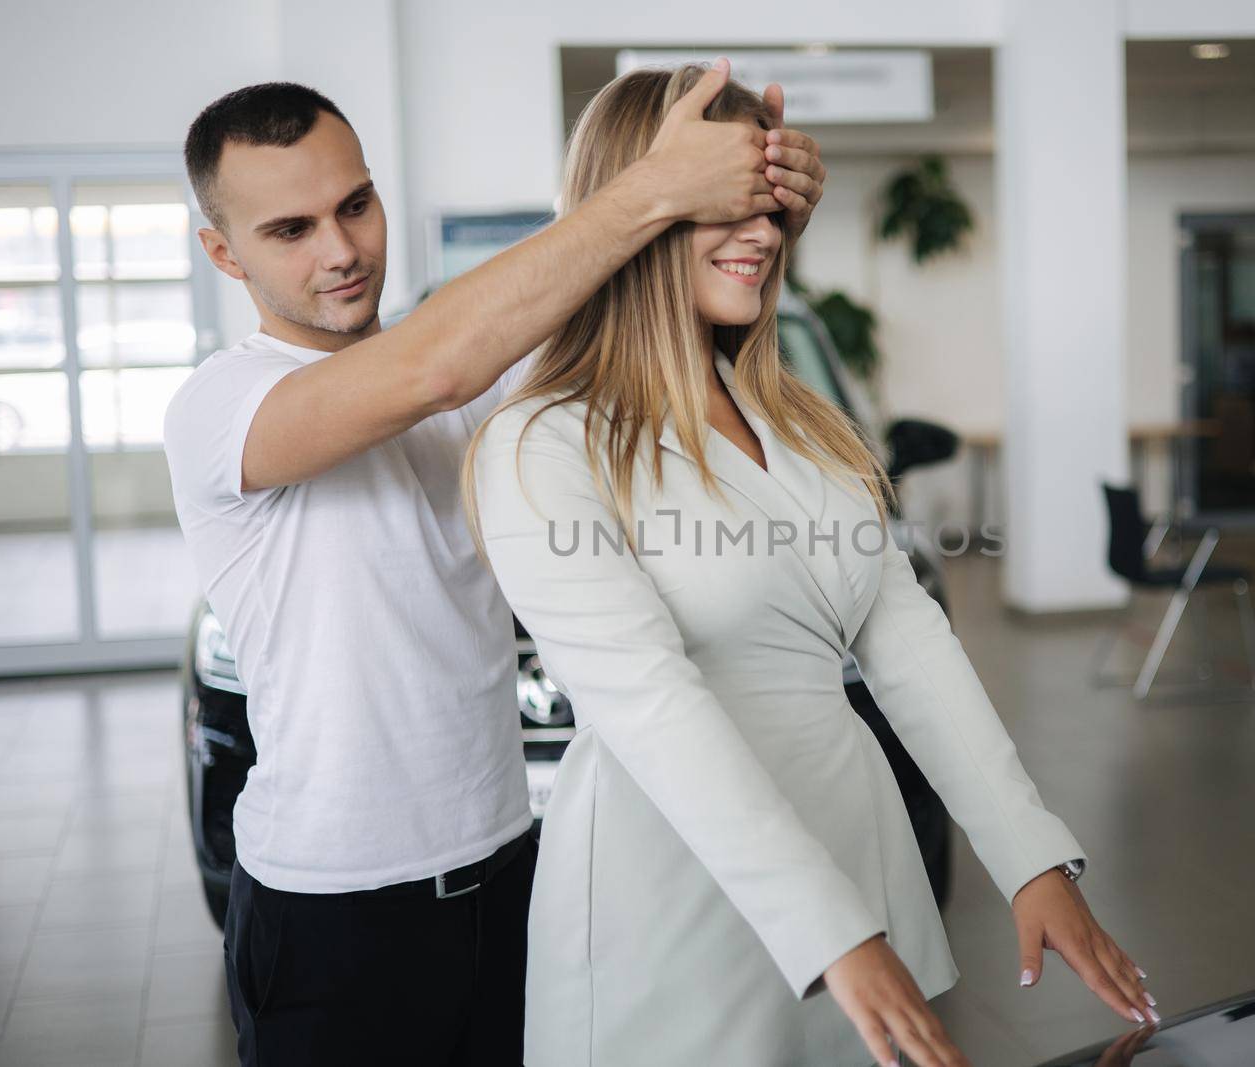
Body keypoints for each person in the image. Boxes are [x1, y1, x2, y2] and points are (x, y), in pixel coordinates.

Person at [465, 66, 1158, 1067]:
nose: (764, 233)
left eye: (773, 207)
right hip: (670, 893)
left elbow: (906, 640)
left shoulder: (799, 424)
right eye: (727, 204)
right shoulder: (540, 444)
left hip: (854, 852)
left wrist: (1030, 855)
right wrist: (829, 927)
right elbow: (653, 706)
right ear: (635, 208)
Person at [163, 65, 829, 1066]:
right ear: (224, 252)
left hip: (509, 871)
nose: (342, 250)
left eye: (355, 204)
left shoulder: (484, 373)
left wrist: (759, 202)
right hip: (331, 915)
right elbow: (433, 368)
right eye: (290, 230)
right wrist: (657, 183)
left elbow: (661, 312)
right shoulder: (221, 407)